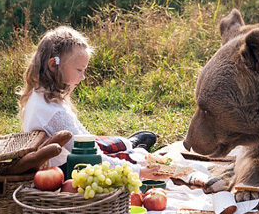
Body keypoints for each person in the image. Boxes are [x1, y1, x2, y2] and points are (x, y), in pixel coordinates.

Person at [17, 26, 157, 173]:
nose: (83, 77)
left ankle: (127, 143)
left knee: (98, 141)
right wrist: (139, 171)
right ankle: (131, 148)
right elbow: (93, 159)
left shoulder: (42, 94)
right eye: (79, 70)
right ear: (53, 65)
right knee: (131, 159)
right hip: (66, 171)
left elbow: (82, 135)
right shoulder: (53, 113)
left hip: (70, 158)